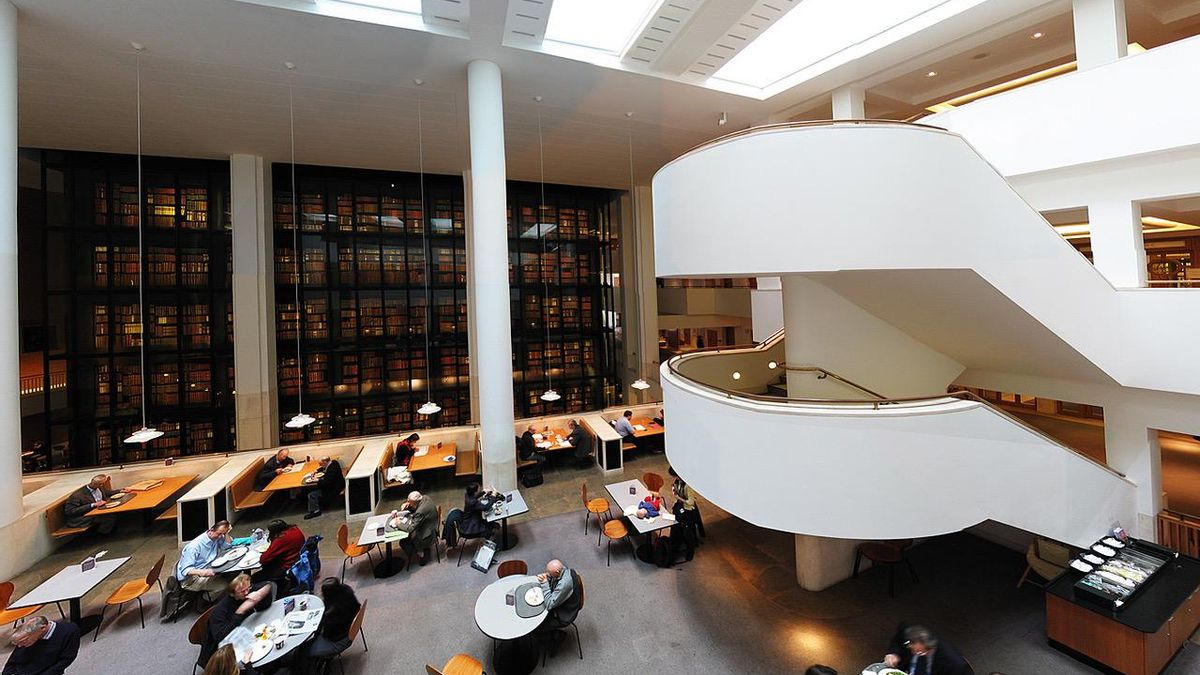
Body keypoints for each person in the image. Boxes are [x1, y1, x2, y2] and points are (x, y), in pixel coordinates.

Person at [201, 574, 274, 667]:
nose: (247, 592)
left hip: (245, 633)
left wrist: (260, 594)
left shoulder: (246, 591)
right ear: (232, 593)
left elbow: (267, 586)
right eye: (242, 591)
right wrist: (240, 612)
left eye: (248, 588)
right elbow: (221, 637)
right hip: (223, 651)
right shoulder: (219, 611)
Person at [293, 578, 361, 674]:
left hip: (338, 639)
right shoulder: (347, 591)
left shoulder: (332, 613)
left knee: (302, 651)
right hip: (350, 627)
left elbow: (326, 634)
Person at [883, 624, 974, 675]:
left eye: (920, 652)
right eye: (913, 650)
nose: (916, 654)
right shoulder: (908, 633)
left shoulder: (954, 664)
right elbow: (897, 641)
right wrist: (893, 653)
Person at [2, 615, 79, 675]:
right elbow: (13, 660)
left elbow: (66, 660)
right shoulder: (27, 639)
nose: (19, 646)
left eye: (24, 640)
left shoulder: (69, 631)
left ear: (42, 629)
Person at [533, 559, 581, 656]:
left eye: (549, 573)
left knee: (537, 628)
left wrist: (545, 583)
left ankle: (556, 639)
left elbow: (550, 605)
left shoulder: (564, 584)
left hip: (565, 614)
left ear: (557, 572)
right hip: (564, 604)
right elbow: (555, 579)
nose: (547, 574)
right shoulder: (565, 570)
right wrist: (548, 577)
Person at [173, 520, 233, 594]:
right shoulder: (194, 547)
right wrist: (203, 572)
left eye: (223, 534)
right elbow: (186, 570)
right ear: (211, 530)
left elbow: (227, 546)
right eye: (219, 534)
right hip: (191, 579)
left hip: (206, 568)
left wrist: (226, 533)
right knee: (224, 586)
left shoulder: (215, 537)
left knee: (231, 574)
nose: (221, 536)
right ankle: (207, 601)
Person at [391, 491, 438, 565]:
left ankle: (421, 554)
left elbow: (410, 528)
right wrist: (408, 505)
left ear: (415, 502)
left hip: (427, 533)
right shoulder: (425, 497)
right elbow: (416, 507)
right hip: (431, 525)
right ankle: (421, 550)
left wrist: (398, 523)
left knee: (403, 542)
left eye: (409, 502)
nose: (407, 502)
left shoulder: (420, 512)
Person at [253, 519, 305, 583]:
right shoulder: (295, 529)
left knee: (254, 577)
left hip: (288, 566)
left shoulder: (281, 539)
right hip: (299, 559)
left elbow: (263, 559)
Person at [670, 466, 704, 544]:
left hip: (688, 509)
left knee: (686, 527)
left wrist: (679, 497)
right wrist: (674, 490)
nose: (675, 478)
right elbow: (677, 489)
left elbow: (690, 502)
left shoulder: (688, 486)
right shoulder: (677, 482)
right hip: (681, 505)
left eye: (675, 476)